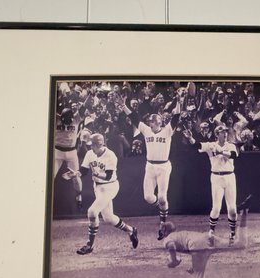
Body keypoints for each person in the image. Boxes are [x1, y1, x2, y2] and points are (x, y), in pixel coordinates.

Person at [161, 201, 251, 278]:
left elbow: (172, 246)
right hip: (207, 237)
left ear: (165, 231)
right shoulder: (180, 234)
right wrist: (192, 266)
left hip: (198, 246)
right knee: (241, 244)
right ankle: (244, 213)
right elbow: (190, 247)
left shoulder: (168, 238)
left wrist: (174, 260)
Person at [62, 133, 138, 254]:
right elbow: (84, 170)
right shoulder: (90, 154)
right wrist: (76, 173)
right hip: (97, 187)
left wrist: (97, 174)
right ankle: (131, 230)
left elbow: (108, 176)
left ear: (100, 144)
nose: (91, 147)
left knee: (92, 212)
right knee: (109, 218)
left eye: (93, 145)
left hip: (110, 186)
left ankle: (89, 245)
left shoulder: (110, 155)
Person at [118, 96, 182, 240]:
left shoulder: (167, 131)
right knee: (148, 197)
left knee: (162, 197)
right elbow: (134, 118)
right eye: (149, 122)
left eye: (152, 121)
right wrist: (124, 106)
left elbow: (176, 117)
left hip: (164, 166)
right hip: (150, 166)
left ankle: (163, 225)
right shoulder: (147, 130)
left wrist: (178, 102)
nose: (149, 123)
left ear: (158, 122)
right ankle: (162, 209)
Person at [183, 125, 239, 245]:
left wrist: (220, 152)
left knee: (232, 209)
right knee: (216, 208)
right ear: (216, 134)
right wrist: (190, 138)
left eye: (226, 132)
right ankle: (211, 232)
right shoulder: (211, 145)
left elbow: (234, 155)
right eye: (222, 132)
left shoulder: (231, 145)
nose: (225, 134)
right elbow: (197, 145)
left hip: (230, 177)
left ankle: (232, 233)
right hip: (216, 177)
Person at [54, 104, 83, 211]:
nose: (67, 123)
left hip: (71, 152)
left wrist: (91, 94)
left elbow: (84, 106)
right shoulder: (56, 119)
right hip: (57, 151)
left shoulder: (76, 119)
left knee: (76, 177)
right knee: (51, 176)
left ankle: (79, 197)